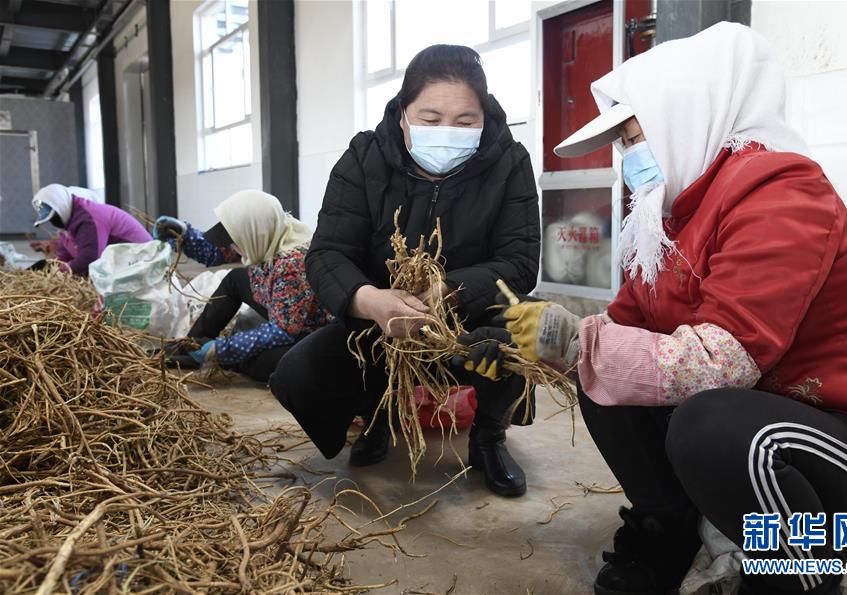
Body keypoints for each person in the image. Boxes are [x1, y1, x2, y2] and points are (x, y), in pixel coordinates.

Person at [465, 23, 847, 595]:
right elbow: (620, 331)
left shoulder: (785, 195)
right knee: (606, 382)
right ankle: (667, 532)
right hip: (767, 428)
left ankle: (797, 576)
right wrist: (537, 352)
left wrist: (581, 343)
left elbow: (723, 362)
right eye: (624, 144)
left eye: (634, 137)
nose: (629, 159)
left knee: (710, 425)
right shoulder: (672, 217)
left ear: (687, 117)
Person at [268, 45, 541, 497]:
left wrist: (450, 291)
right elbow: (327, 254)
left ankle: (488, 438)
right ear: (403, 115)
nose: (447, 132)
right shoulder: (364, 158)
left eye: (465, 121)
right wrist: (370, 300)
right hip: (381, 318)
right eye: (431, 120)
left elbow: (519, 261)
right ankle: (378, 416)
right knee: (299, 372)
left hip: (468, 317)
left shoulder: (508, 162)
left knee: (521, 334)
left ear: (485, 117)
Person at [154, 190, 330, 382]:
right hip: (283, 312)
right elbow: (216, 253)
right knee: (236, 278)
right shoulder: (267, 234)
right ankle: (192, 346)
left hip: (309, 330)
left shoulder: (292, 264)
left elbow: (283, 331)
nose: (232, 248)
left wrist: (222, 349)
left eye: (235, 242)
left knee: (266, 362)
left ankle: (219, 357)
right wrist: (184, 235)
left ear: (252, 233)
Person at [31, 184, 151, 275]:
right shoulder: (70, 223)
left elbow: (89, 259)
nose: (53, 222)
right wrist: (52, 267)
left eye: (54, 217)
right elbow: (65, 254)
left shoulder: (87, 220)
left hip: (141, 263)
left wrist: (58, 273)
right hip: (126, 263)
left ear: (62, 207)